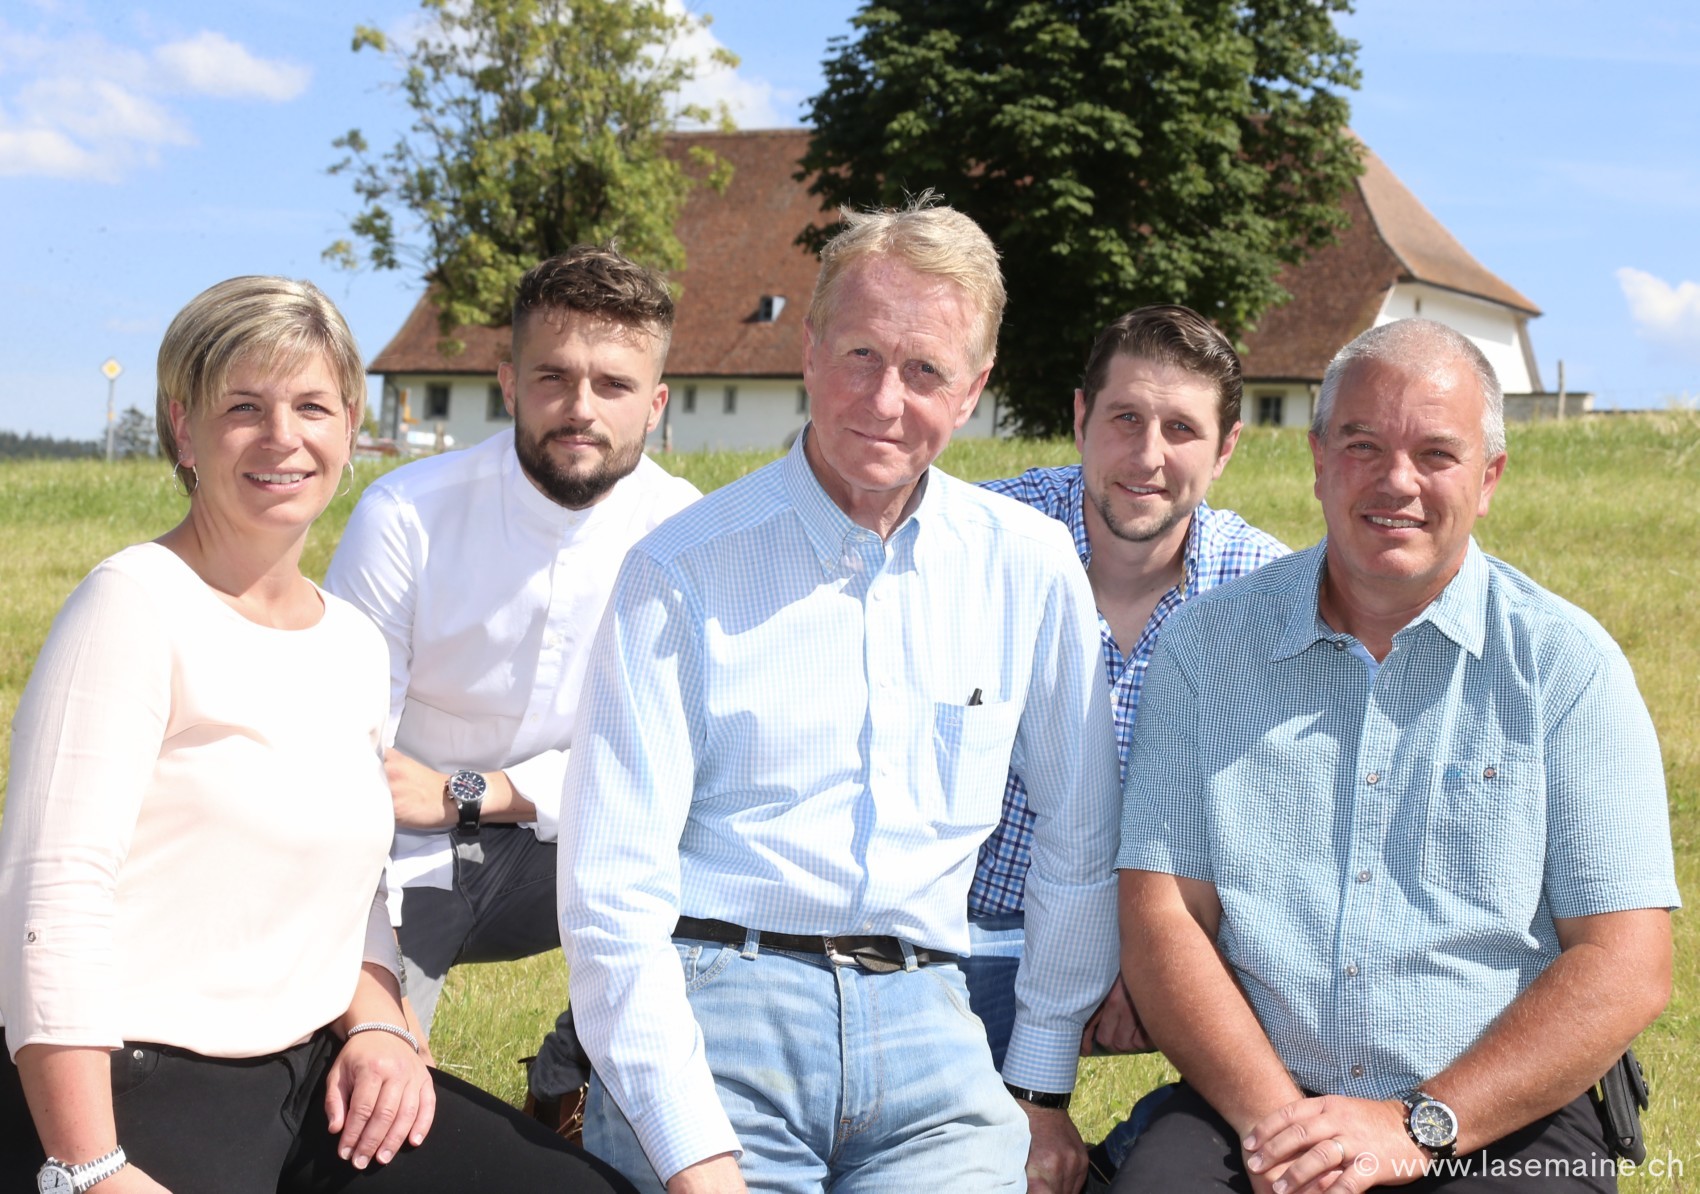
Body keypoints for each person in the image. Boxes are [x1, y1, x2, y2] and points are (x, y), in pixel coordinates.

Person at [0, 276, 636, 1194]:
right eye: (243, 408)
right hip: (130, 1086)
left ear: (349, 426)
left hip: (310, 1083)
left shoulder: (349, 642)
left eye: (311, 406)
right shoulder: (133, 606)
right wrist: (87, 1166)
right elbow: (49, 899)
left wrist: (378, 1022)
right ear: (183, 429)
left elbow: (352, 884)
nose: (282, 436)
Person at [560, 198, 1123, 1194]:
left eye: (925, 371)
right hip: (716, 1006)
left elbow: (1080, 835)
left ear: (974, 389)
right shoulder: (680, 570)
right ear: (810, 350)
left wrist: (1037, 1082)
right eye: (861, 354)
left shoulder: (1027, 567)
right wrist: (688, 1143)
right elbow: (611, 888)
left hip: (933, 1029)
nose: (885, 399)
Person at [1114, 318, 1678, 1193]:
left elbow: (1626, 962)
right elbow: (1163, 918)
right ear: (1318, 461)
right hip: (1262, 1095)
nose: (1396, 481)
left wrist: (1418, 1124)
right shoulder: (1203, 652)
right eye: (1363, 445)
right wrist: (1285, 1131)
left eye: (1436, 454)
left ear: (1489, 478)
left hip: (1498, 1110)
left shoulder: (1567, 668)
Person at [324, 246, 700, 1124]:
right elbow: (344, 747)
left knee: (734, 861)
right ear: (508, 384)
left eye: (613, 385)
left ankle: (575, 1074)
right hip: (398, 850)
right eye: (553, 377)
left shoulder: (685, 533)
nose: (580, 408)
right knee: (363, 1079)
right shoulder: (406, 514)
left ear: (656, 404)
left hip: (584, 843)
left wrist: (478, 791)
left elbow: (675, 762)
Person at [963, 305, 1287, 1183]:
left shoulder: (1263, 593)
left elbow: (1268, 825)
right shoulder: (984, 541)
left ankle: (1140, 1150)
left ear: (1225, 450)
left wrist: (1152, 952)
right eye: (1126, 418)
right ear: (1080, 417)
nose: (1147, 456)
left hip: (1161, 928)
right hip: (967, 928)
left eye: (1181, 430)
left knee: (1312, 1007)